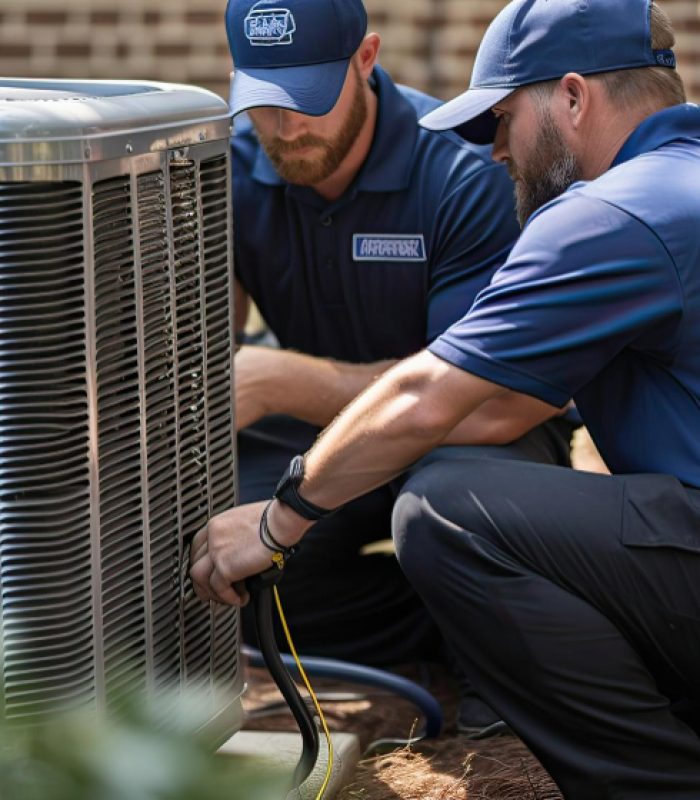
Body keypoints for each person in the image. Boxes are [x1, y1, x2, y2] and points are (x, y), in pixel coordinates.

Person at [194, 0, 700, 794]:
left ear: (572, 97)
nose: (497, 149)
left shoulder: (612, 212)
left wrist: (277, 519)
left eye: (502, 118)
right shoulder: (676, 184)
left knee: (446, 510)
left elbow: (455, 399)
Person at [224, 0, 575, 732]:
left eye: (309, 101)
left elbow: (483, 398)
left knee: (455, 507)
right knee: (221, 560)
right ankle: (450, 624)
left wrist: (283, 379)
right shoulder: (233, 170)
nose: (286, 129)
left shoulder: (462, 173)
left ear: (366, 59)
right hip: (315, 440)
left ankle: (504, 665)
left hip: (472, 430)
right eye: (265, 102)